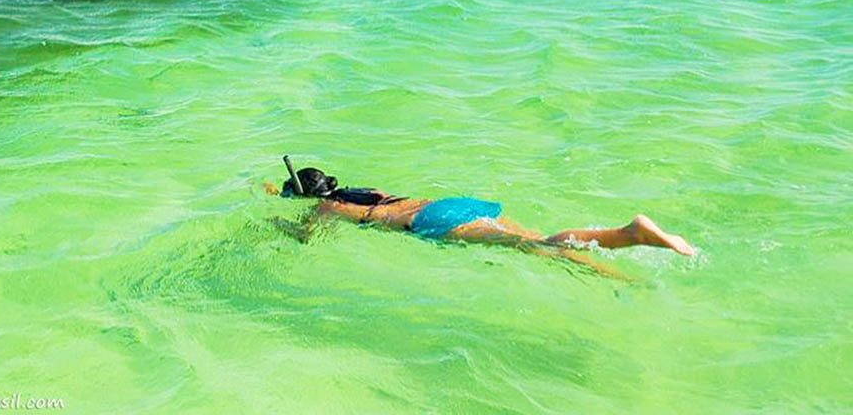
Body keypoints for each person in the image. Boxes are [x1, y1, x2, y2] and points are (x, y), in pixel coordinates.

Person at [267, 160, 696, 268]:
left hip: (433, 224)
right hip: (448, 205)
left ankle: (633, 234)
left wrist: (277, 221)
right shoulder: (368, 192)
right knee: (537, 241)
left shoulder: (328, 207)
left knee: (532, 248)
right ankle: (622, 243)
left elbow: (307, 237)